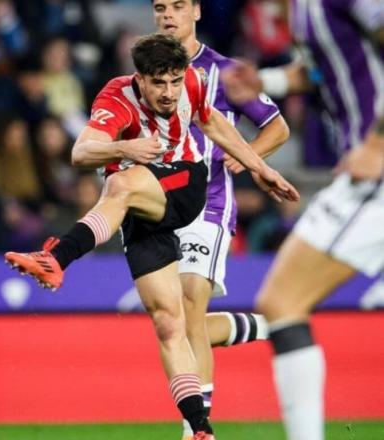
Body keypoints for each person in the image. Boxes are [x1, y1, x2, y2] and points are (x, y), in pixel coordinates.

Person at [5, 33, 299, 439]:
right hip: (140, 209)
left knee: (120, 186)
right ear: (139, 79)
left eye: (174, 82)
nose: (168, 92)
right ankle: (200, 428)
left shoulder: (192, 82)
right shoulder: (116, 97)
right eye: (158, 83)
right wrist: (127, 146)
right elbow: (80, 153)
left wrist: (259, 167)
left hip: (185, 186)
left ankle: (57, 257)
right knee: (169, 323)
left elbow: (211, 122)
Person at [221, 1, 384, 439]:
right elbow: (320, 69)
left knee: (282, 302)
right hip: (364, 169)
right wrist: (266, 81)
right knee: (281, 304)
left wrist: (380, 140)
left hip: (377, 171)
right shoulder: (302, 8)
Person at [151, 1, 292, 436]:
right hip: (158, 207)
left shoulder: (224, 72)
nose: (168, 15)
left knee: (190, 306)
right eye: (159, 7)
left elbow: (278, 127)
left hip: (209, 203)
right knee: (175, 323)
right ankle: (269, 326)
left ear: (196, 11)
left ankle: (198, 429)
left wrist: (248, 159)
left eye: (177, 6)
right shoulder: (144, 72)